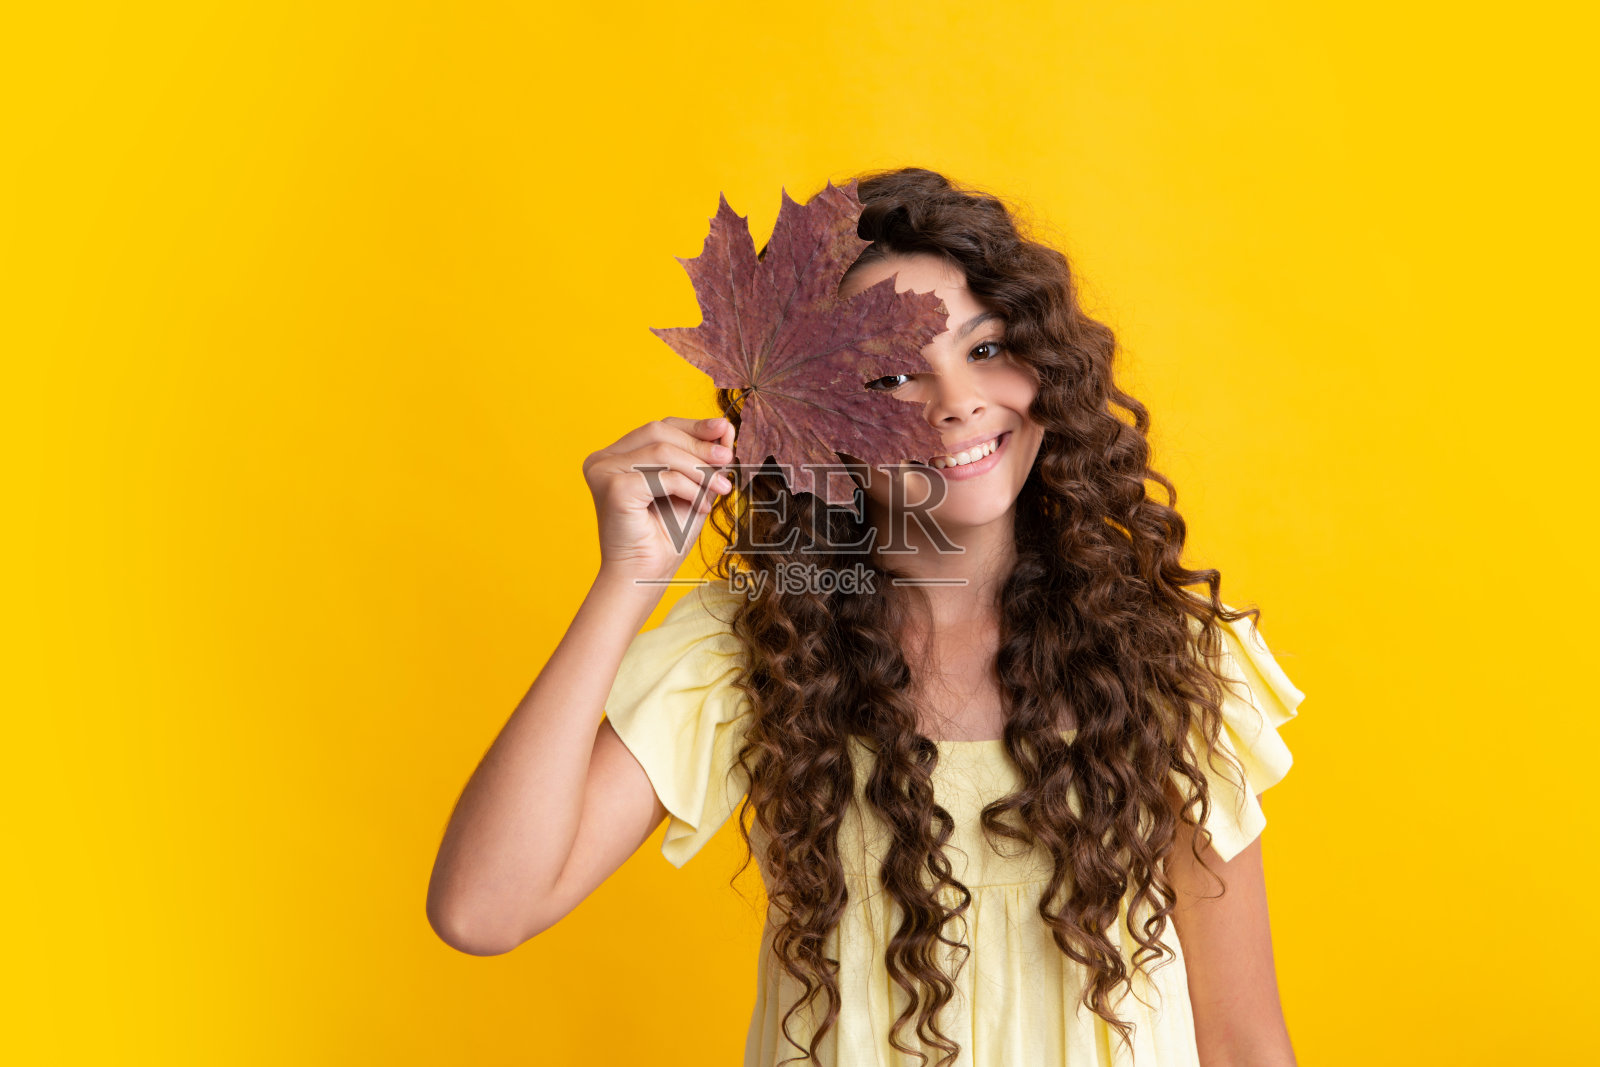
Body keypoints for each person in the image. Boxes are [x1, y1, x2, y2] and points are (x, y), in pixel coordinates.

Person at [426, 167, 1305, 1067]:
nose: (956, 399)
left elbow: (1242, 1039)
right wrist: (629, 578)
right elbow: (482, 908)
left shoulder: (1172, 652)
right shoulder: (761, 650)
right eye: (890, 375)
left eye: (988, 347)